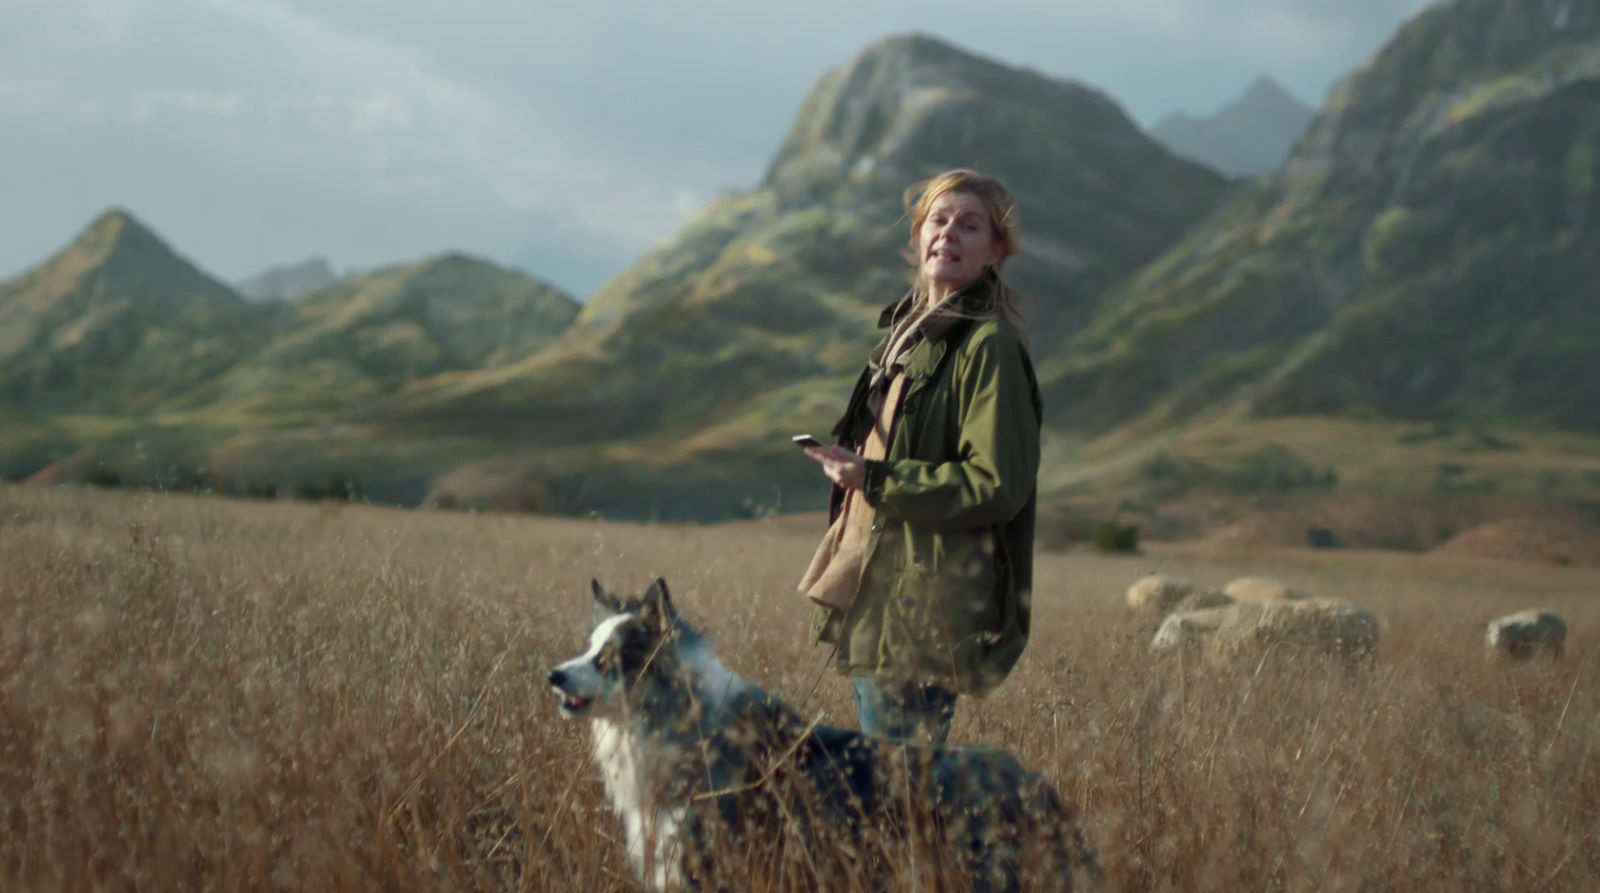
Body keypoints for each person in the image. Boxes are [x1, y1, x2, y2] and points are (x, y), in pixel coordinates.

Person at [797, 169, 1042, 744]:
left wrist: (877, 477)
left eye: (969, 225)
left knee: (901, 797)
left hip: (924, 608)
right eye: (938, 220)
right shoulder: (911, 336)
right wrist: (856, 464)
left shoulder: (990, 346)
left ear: (996, 250)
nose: (948, 234)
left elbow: (997, 484)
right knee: (895, 796)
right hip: (880, 594)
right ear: (918, 235)